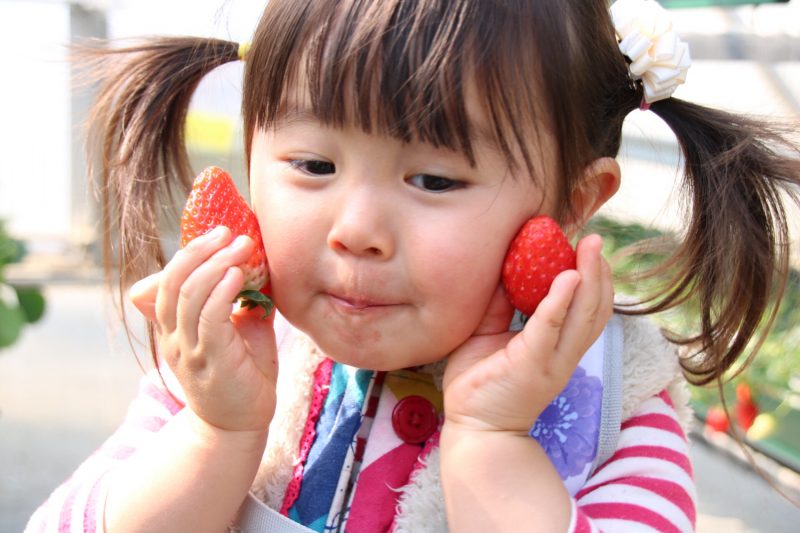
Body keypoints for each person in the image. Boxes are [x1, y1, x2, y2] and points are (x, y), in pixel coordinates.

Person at [27, 0, 800, 531]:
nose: (357, 230)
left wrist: (490, 439)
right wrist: (215, 433)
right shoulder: (227, 360)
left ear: (573, 202)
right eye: (313, 164)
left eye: (433, 179)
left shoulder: (611, 402)